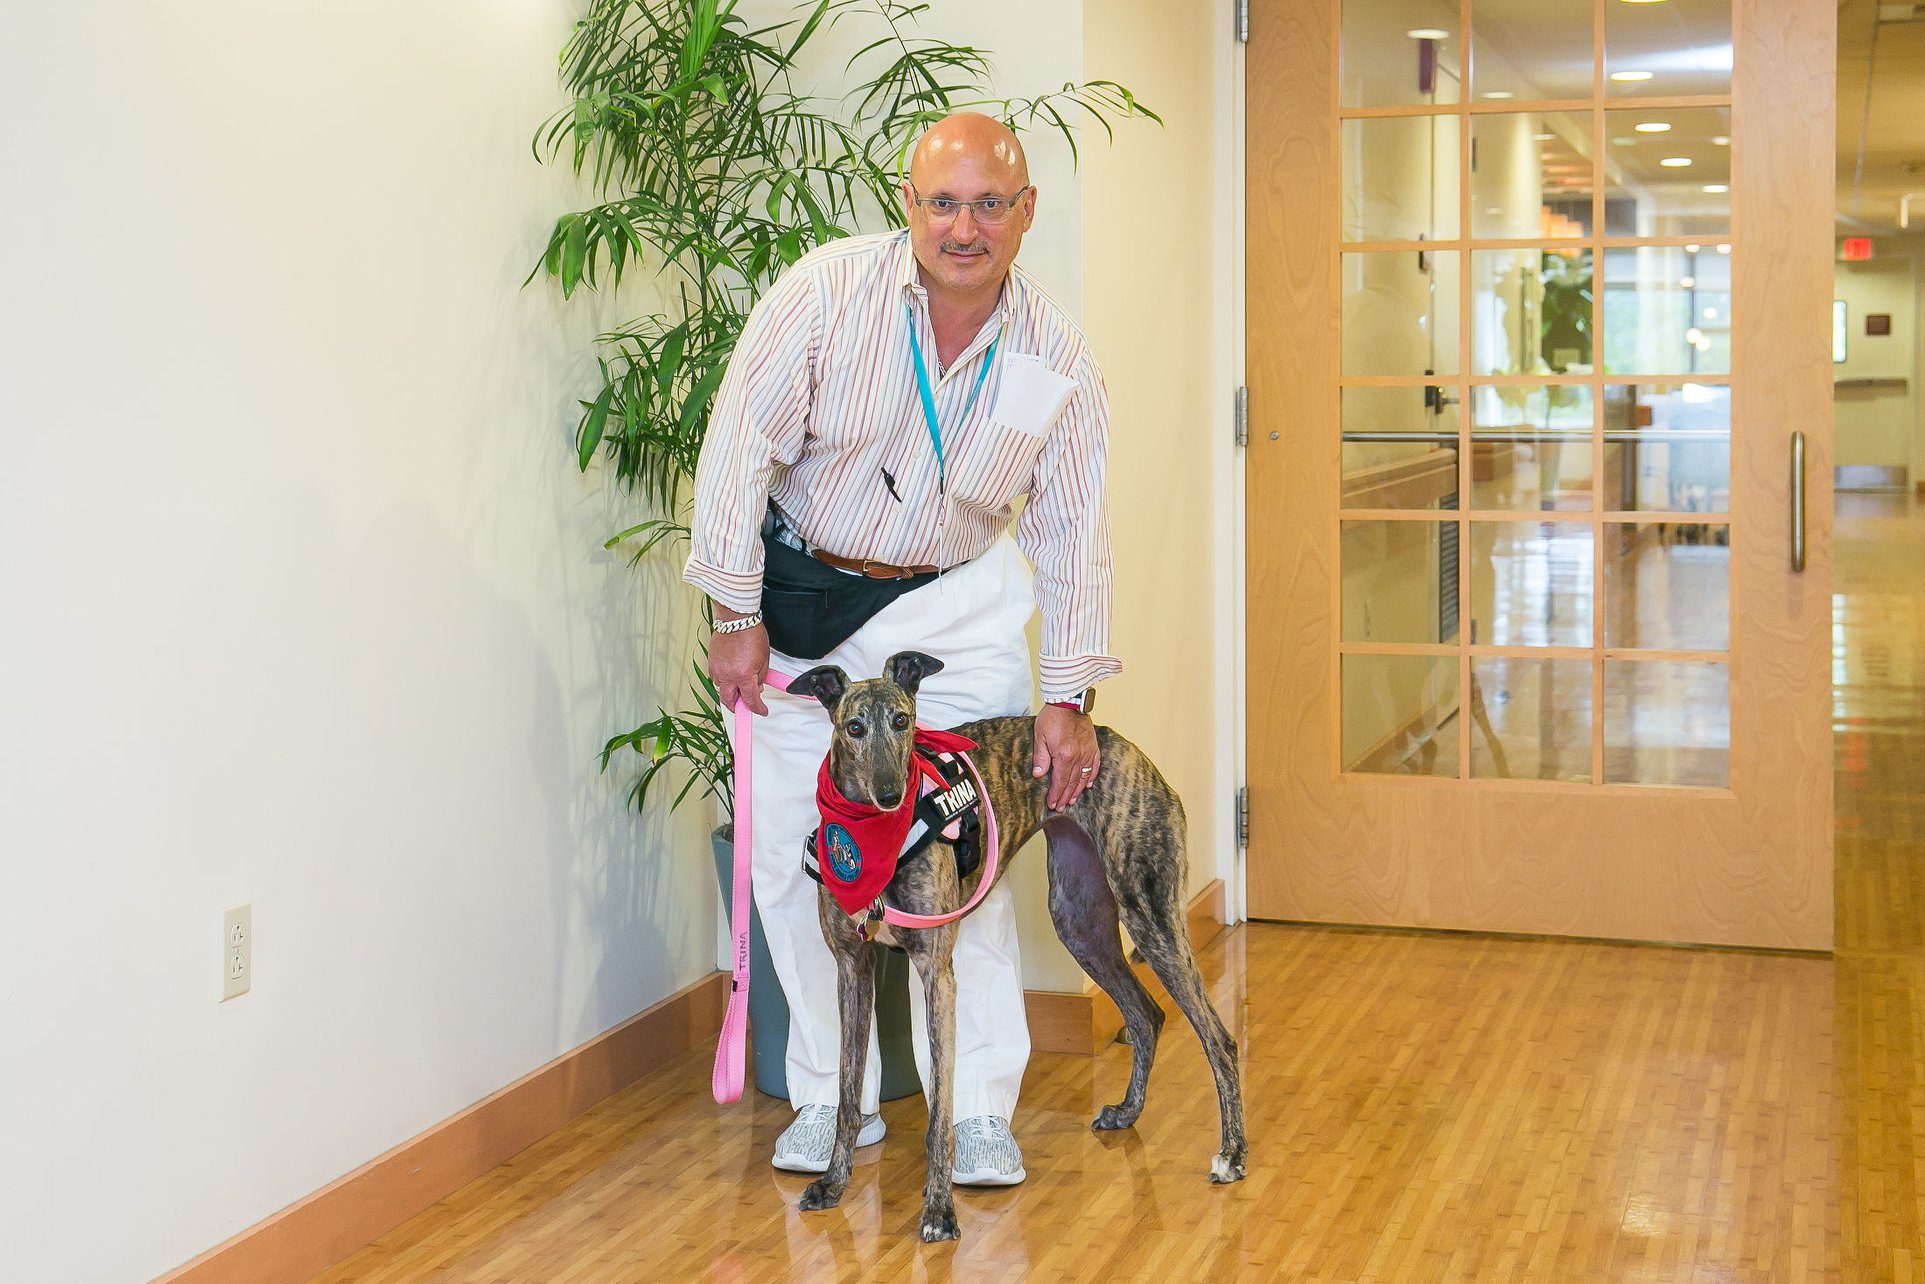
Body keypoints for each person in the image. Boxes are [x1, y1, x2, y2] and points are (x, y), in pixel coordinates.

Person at [683, 111, 1117, 1186]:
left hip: (957, 609)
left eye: (987, 204)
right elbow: (738, 446)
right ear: (907, 204)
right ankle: (834, 1099)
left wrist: (1063, 695)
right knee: (798, 849)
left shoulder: (1055, 353)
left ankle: (973, 1109)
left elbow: (1073, 529)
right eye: (941, 201)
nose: (962, 227)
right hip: (812, 603)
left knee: (959, 863)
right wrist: (734, 613)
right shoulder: (824, 299)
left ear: (1024, 215)